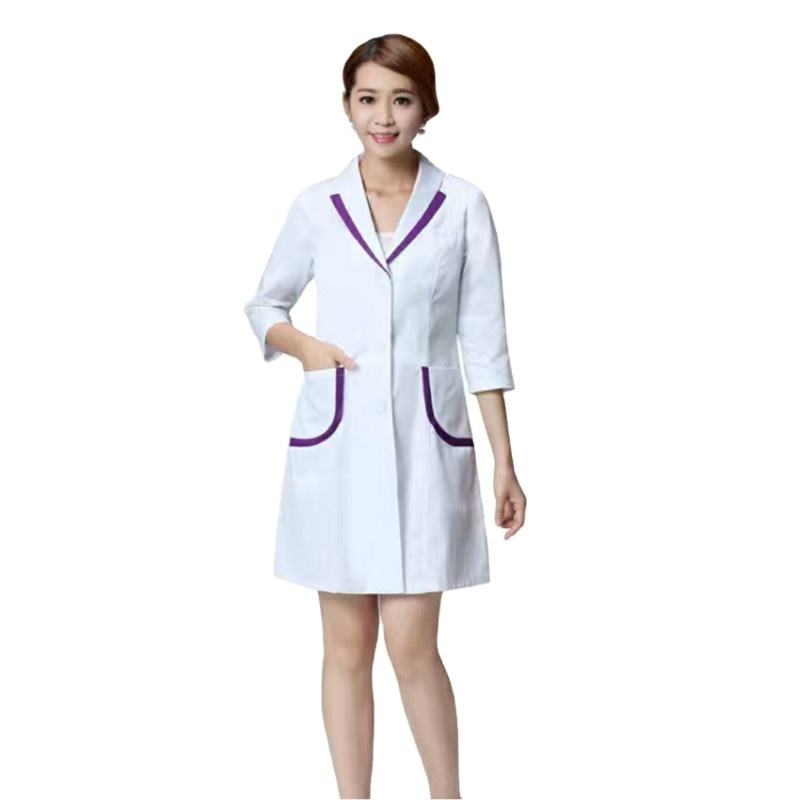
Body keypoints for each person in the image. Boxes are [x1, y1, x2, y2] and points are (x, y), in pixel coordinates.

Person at [243, 33, 526, 799]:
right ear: (346, 106)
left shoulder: (462, 205)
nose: (384, 116)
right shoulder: (317, 206)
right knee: (345, 648)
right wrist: (305, 347)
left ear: (426, 108)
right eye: (368, 98)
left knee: (412, 648)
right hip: (336, 446)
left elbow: (484, 342)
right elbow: (265, 304)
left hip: (425, 445)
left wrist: (505, 462)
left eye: (401, 100)